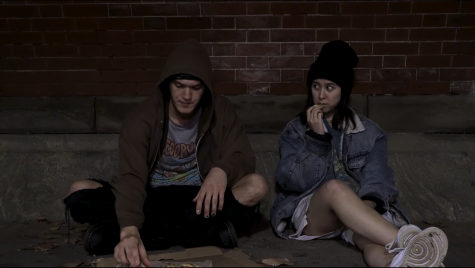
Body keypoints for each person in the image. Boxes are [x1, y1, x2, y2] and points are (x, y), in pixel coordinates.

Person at [63, 40, 269, 267]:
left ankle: (140, 234)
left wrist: (221, 170)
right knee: (78, 191)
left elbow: (243, 157)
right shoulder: (142, 117)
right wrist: (130, 230)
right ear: (168, 84)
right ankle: (201, 234)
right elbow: (131, 178)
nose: (187, 95)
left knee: (257, 185)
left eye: (196, 88)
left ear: (206, 89)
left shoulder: (222, 110)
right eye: (179, 85)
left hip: (196, 199)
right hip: (150, 198)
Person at [270, 40, 448, 267]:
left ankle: (411, 262)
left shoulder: (369, 132)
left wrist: (365, 208)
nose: (321, 95)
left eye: (330, 87)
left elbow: (379, 179)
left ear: (343, 91)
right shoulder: (296, 130)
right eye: (316, 86)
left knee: (374, 243)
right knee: (336, 188)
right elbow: (290, 181)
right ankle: (413, 243)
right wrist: (316, 141)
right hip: (316, 214)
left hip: (360, 210)